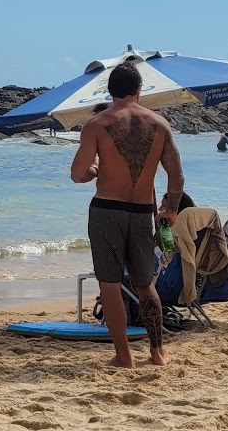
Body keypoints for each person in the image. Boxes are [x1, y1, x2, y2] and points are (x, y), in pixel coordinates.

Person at [69, 61, 184, 369]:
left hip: (107, 211)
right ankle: (158, 353)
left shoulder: (96, 125)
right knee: (146, 284)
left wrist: (95, 171)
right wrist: (170, 208)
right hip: (143, 212)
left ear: (109, 90)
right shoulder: (160, 125)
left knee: (109, 284)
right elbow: (176, 175)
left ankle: (123, 356)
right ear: (139, 90)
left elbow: (77, 174)